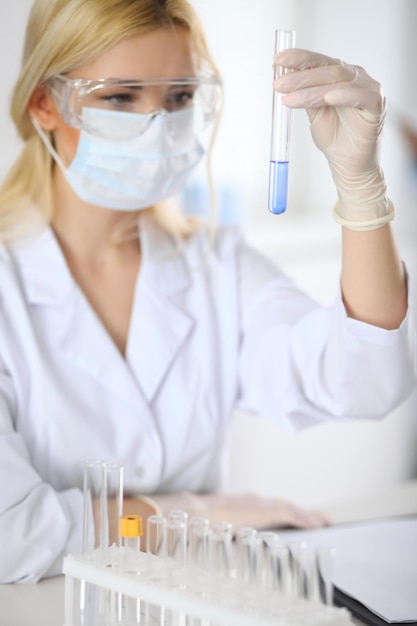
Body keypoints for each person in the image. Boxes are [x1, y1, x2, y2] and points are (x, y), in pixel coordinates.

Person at [0, 0, 415, 584]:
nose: (157, 124)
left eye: (179, 98)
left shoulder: (215, 264)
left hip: (194, 599)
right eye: (120, 98)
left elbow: (363, 382)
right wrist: (189, 513)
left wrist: (361, 185)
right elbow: (11, 538)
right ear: (45, 103)